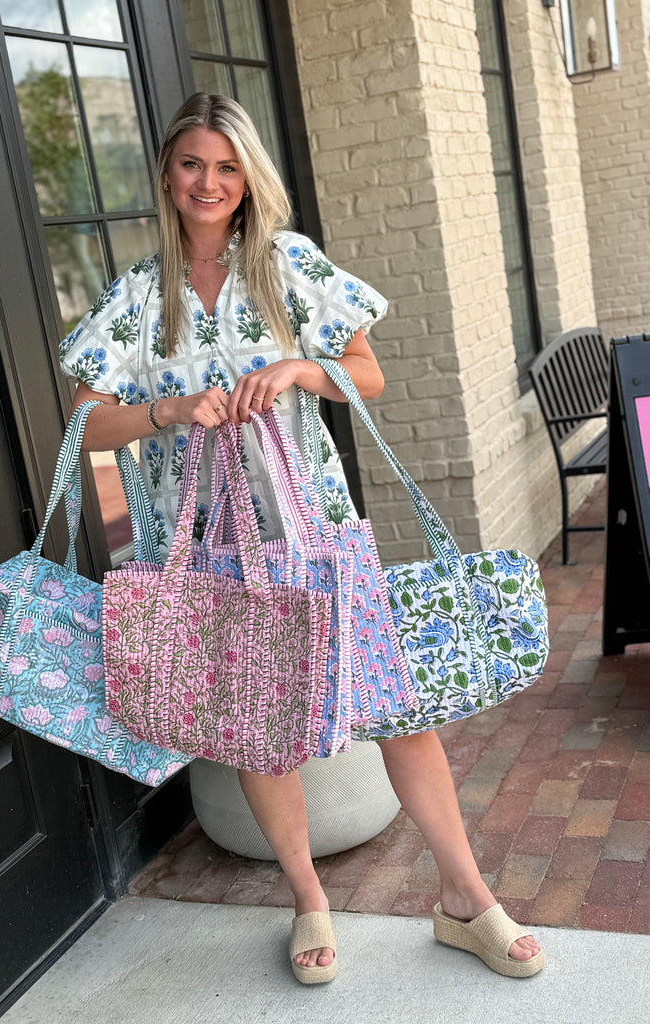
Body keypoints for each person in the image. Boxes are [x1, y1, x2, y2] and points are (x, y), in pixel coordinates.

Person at [60, 92, 544, 985]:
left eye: (227, 167)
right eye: (192, 163)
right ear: (167, 174)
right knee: (257, 727)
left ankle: (466, 897)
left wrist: (297, 367)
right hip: (204, 547)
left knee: (397, 706)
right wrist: (167, 409)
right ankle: (308, 899)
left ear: (249, 179)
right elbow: (85, 423)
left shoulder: (285, 265)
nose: (209, 183)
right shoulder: (139, 296)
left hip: (314, 528)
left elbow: (368, 372)